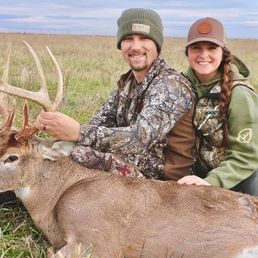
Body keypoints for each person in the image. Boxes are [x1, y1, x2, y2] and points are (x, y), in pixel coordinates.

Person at [36, 8, 196, 181]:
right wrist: (55, 126)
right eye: (128, 39)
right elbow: (98, 124)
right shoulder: (127, 85)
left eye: (144, 38)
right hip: (131, 166)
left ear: (156, 45)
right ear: (120, 45)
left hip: (164, 184)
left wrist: (78, 132)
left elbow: (139, 139)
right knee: (47, 150)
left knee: (77, 156)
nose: (135, 46)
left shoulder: (172, 86)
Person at [177, 17, 258, 196]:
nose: (203, 55)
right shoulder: (179, 87)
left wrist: (210, 182)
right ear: (187, 53)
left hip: (238, 178)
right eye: (196, 47)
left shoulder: (240, 94)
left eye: (212, 48)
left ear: (223, 53)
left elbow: (246, 157)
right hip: (197, 175)